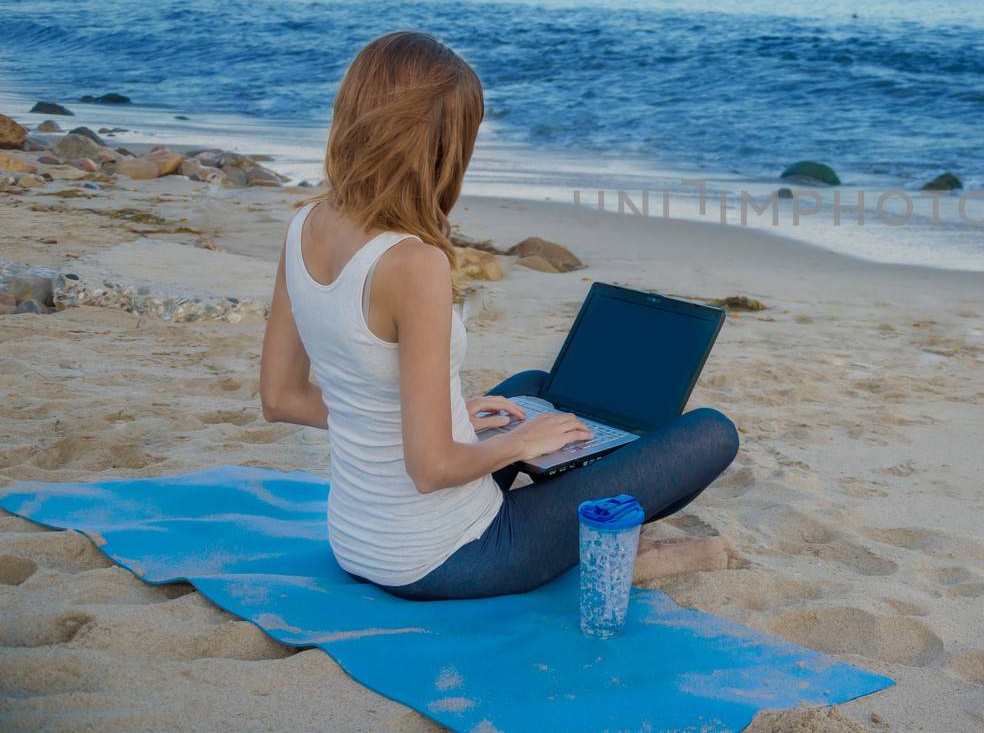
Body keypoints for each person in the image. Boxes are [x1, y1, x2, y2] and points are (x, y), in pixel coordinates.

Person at [257, 30, 739, 600]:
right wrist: (518, 445)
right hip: (445, 555)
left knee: (533, 390)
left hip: (357, 541)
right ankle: (608, 552)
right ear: (437, 144)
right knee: (712, 434)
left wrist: (446, 416)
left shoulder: (305, 224)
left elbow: (280, 398)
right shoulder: (413, 263)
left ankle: (560, 482)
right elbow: (431, 469)